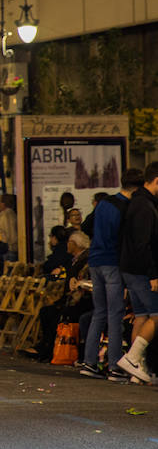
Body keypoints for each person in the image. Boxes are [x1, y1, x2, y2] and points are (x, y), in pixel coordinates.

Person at [79, 169, 139, 381]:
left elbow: (86, 225)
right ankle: (114, 365)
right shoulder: (126, 207)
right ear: (138, 188)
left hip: (95, 260)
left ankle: (89, 362)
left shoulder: (105, 202)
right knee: (115, 314)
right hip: (112, 262)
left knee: (99, 312)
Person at [116, 162, 158, 384]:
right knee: (156, 315)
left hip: (130, 269)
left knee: (141, 316)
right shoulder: (145, 206)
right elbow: (144, 243)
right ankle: (133, 358)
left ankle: (136, 367)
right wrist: (153, 274)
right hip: (142, 271)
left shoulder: (136, 202)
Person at [27, 231, 91, 361]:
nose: (66, 245)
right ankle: (45, 346)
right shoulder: (74, 260)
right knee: (47, 311)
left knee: (55, 314)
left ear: (74, 244)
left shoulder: (84, 260)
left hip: (80, 301)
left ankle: (48, 349)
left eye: (68, 242)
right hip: (70, 298)